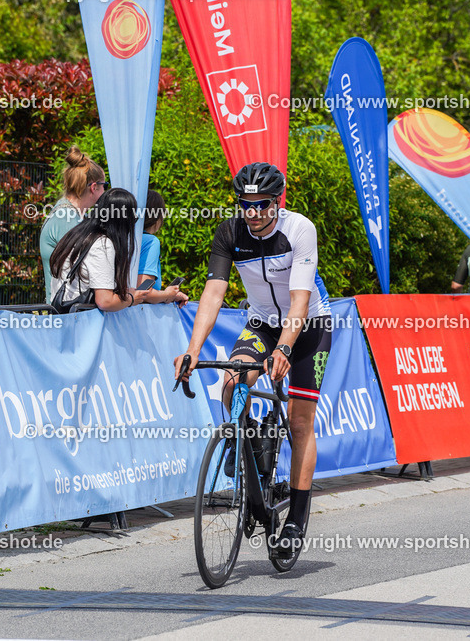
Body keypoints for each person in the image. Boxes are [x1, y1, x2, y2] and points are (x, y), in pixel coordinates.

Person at [174, 162, 331, 559]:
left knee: (299, 422)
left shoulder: (300, 229)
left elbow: (299, 299)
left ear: (277, 202)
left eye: (262, 204)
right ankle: (246, 450)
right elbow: (213, 294)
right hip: (261, 322)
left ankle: (295, 520)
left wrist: (285, 348)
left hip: (309, 326)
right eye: (247, 204)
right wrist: (193, 349)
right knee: (232, 381)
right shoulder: (230, 233)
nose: (254, 212)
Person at [49, 188, 151, 312]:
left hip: (62, 315)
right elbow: (105, 301)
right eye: (133, 218)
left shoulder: (79, 234)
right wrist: (131, 298)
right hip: (80, 318)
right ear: (122, 221)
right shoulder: (102, 244)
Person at [41, 146, 107, 302]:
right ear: (94, 187)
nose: (105, 192)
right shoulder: (67, 218)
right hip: (66, 308)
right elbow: (90, 264)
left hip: (71, 306)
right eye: (105, 185)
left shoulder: (70, 214)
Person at [137, 189, 188, 306]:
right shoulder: (150, 242)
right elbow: (143, 292)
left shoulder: (123, 237)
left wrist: (169, 295)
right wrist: (167, 295)